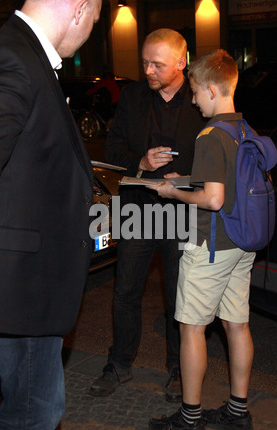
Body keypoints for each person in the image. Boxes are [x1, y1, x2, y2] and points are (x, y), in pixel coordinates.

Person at [0, 0, 102, 430]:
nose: (90, 31)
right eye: (95, 20)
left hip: (29, 288)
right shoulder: (11, 57)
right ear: (79, 9)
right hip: (23, 287)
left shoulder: (26, 56)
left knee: (35, 411)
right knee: (32, 420)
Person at [89, 29, 205, 402]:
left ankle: (177, 368)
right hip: (139, 207)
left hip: (183, 210)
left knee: (179, 296)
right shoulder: (134, 97)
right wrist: (139, 162)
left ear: (181, 63)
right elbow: (113, 148)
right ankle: (119, 365)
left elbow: (216, 156)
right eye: (144, 62)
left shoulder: (200, 98)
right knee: (125, 291)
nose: (148, 70)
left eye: (157, 64)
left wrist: (186, 179)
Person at [148, 49, 256, 430]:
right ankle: (237, 412)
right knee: (237, 325)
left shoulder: (210, 134)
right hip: (242, 245)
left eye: (195, 93)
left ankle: (190, 420)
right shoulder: (243, 128)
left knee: (191, 329)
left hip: (210, 245)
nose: (193, 100)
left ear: (212, 89)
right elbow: (222, 182)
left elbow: (212, 199)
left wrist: (174, 190)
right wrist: (190, 176)